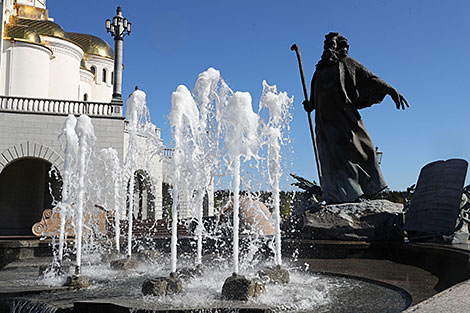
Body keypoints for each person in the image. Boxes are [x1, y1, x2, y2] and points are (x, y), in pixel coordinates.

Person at [303, 32, 409, 204]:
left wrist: (390, 89)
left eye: (346, 48)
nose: (345, 51)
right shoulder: (320, 70)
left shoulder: (348, 63)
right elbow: (317, 95)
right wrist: (310, 104)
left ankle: (373, 187)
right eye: (341, 47)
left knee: (362, 149)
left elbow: (370, 77)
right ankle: (342, 194)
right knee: (333, 158)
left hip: (344, 116)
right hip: (324, 121)